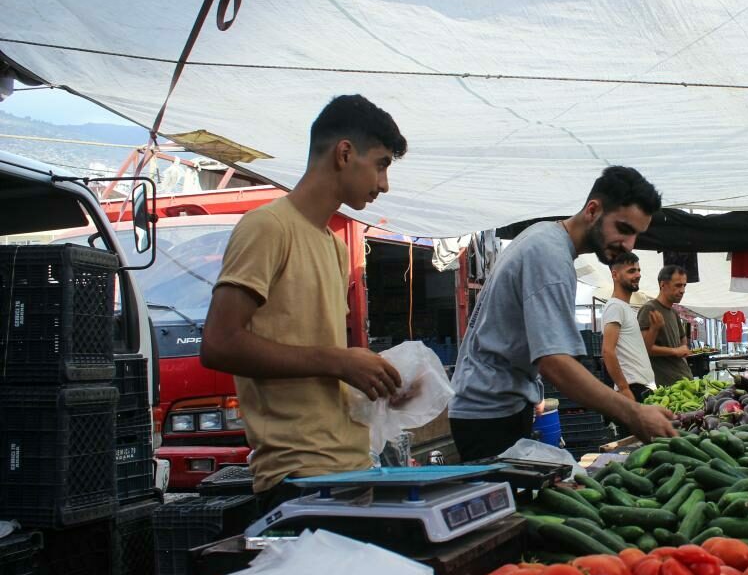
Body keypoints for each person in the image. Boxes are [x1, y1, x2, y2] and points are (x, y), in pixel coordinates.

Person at [202, 95, 408, 509]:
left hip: (349, 466)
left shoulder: (333, 246)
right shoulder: (267, 227)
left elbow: (318, 352)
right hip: (298, 478)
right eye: (382, 164)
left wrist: (371, 375)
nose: (384, 184)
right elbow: (219, 344)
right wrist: (339, 361)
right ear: (345, 153)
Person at [449, 167, 677, 460]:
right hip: (488, 416)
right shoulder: (550, 255)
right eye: (623, 229)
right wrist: (633, 412)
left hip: (495, 407)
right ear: (593, 210)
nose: (629, 245)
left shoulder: (545, 239)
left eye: (637, 235)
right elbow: (555, 363)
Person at [601, 252, 656, 403]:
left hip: (642, 387)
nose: (638, 275)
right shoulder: (615, 306)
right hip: (633, 389)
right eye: (631, 271)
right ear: (615, 275)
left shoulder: (625, 307)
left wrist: (654, 329)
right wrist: (624, 388)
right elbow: (607, 351)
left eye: (639, 270)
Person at [638, 265, 693, 386]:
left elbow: (682, 342)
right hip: (668, 385)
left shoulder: (673, 312)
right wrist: (674, 351)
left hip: (685, 379)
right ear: (663, 285)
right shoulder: (650, 309)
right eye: (678, 285)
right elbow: (644, 349)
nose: (682, 290)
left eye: (684, 285)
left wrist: (683, 348)